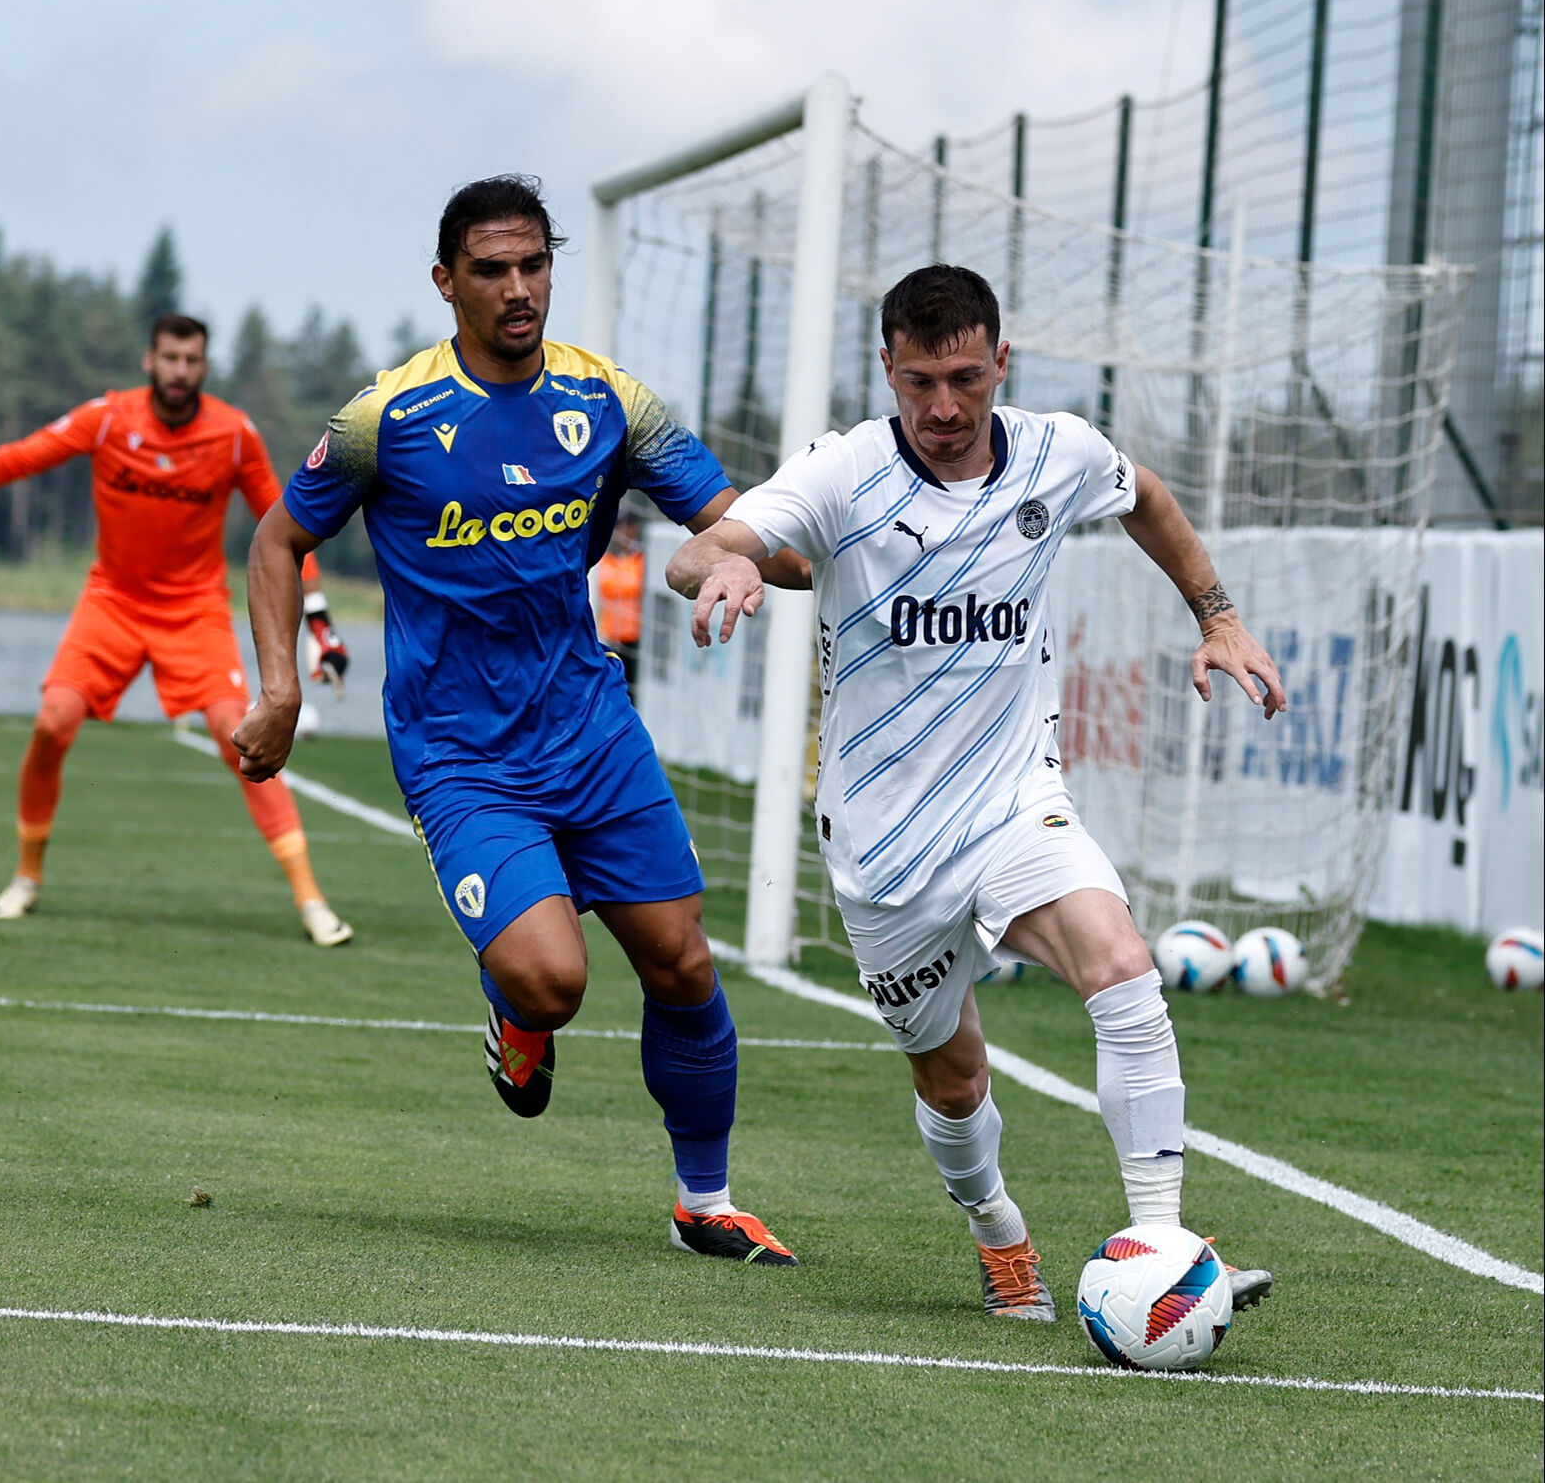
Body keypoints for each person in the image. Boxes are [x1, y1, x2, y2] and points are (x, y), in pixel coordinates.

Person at [666, 264, 1286, 1318]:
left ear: (1002, 361)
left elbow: (1147, 499)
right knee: (952, 1081)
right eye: (918, 382)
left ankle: (1163, 1242)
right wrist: (720, 568)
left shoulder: (1059, 451)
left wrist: (1215, 612)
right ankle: (999, 1232)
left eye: (964, 377)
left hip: (1013, 804)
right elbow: (713, 543)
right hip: (884, 847)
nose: (944, 407)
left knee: (1123, 965)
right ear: (887, 372)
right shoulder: (842, 472)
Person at [235, 175, 807, 1266]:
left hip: (590, 728)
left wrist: (809, 548)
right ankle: (518, 1013)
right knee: (555, 976)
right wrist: (281, 690)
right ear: (446, 281)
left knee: (683, 963)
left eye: (534, 265)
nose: (518, 288)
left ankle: (705, 1202)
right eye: (491, 270)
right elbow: (274, 544)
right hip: (459, 752)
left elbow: (737, 524)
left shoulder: (609, 403)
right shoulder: (386, 417)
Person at [0, 313, 353, 946]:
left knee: (243, 739)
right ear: (149, 362)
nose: (181, 370)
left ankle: (311, 899)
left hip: (195, 610)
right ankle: (27, 876)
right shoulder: (108, 418)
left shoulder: (233, 434)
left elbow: (290, 520)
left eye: (192, 360)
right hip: (112, 602)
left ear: (203, 368)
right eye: (170, 358)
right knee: (53, 721)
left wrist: (321, 624)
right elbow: (21, 458)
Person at [595, 514, 645, 693]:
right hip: (610, 634)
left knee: (633, 688)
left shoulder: (640, 560)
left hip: (636, 636)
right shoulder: (603, 561)